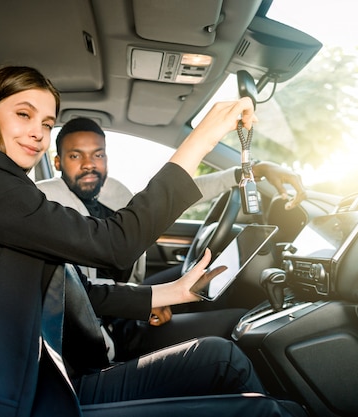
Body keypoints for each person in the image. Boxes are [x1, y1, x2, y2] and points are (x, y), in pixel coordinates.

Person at [0, 65, 304, 417]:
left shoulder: (5, 189)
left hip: (53, 374)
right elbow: (115, 244)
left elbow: (75, 291)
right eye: (23, 115)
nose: (38, 133)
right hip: (17, 398)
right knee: (259, 409)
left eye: (46, 122)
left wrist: (169, 292)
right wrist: (200, 140)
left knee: (220, 357)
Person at [36, 117, 306, 359]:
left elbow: (170, 199)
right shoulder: (47, 205)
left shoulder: (111, 193)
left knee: (207, 279)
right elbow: (81, 295)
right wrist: (144, 304)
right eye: (75, 156)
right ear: (58, 162)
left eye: (98, 155)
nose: (89, 165)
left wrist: (247, 172)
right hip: (101, 325)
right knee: (239, 322)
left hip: (123, 297)